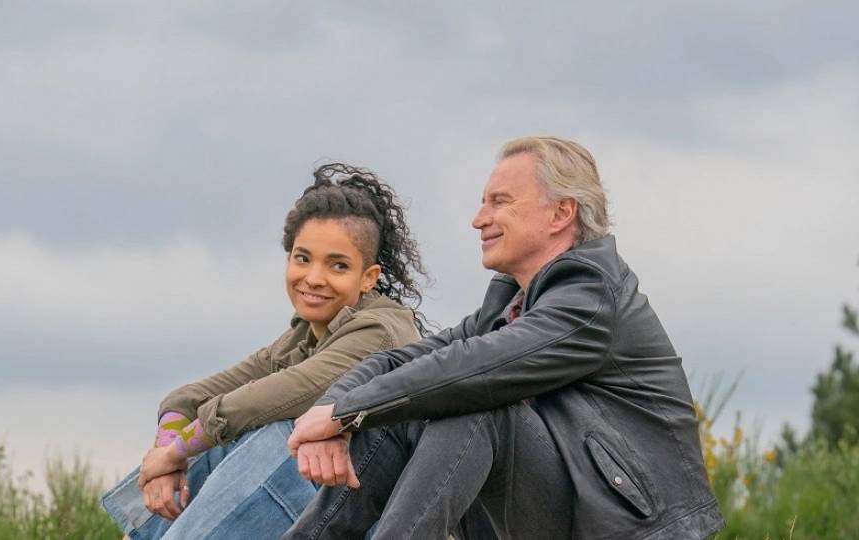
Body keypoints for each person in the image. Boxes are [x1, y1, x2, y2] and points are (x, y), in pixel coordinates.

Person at [284, 137, 724, 539]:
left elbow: (477, 370)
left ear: (560, 213)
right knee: (406, 412)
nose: (479, 220)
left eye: (500, 202)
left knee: (474, 404)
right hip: (567, 516)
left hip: (632, 530)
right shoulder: (512, 304)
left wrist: (347, 413)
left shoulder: (591, 297)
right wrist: (336, 410)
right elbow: (400, 363)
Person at [102, 163, 431, 539]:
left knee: (275, 433)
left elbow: (282, 394)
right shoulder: (305, 335)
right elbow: (189, 397)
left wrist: (176, 451)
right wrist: (167, 457)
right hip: (329, 510)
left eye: (337, 265)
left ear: (368, 277)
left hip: (381, 521)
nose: (313, 278)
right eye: (302, 258)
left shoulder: (380, 332)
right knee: (220, 440)